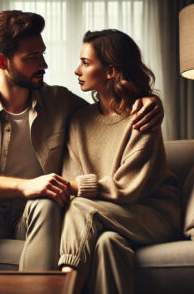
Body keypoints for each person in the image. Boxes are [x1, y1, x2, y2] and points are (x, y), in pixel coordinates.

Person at [0, 11, 163, 270]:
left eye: (42, 53)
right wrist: (25, 186)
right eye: (32, 57)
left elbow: (111, 112)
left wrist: (150, 101)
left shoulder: (60, 101)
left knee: (45, 200)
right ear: (2, 61)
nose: (43, 64)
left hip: (37, 215)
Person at [58, 29, 181, 293]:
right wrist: (77, 189)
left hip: (153, 214)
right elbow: (72, 181)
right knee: (108, 244)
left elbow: (128, 187)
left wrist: (79, 188)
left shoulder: (142, 114)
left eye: (86, 63)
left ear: (111, 71)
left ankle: (64, 288)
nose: (77, 70)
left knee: (82, 208)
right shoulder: (79, 121)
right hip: (109, 218)